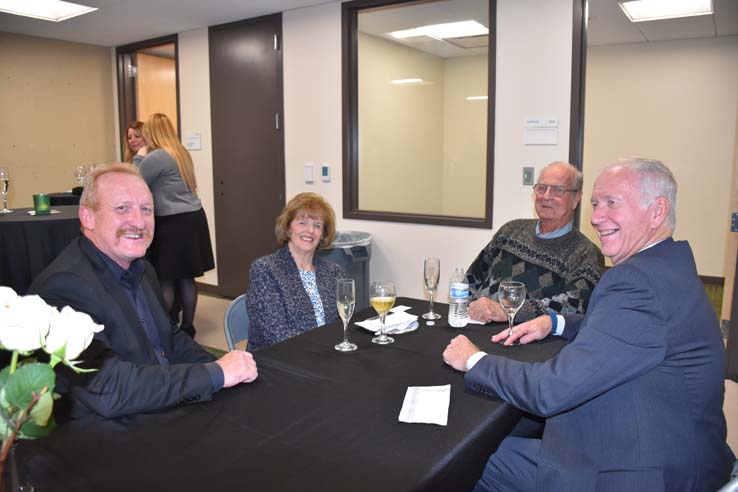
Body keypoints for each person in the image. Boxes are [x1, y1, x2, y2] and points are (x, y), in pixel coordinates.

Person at [443, 158, 735, 491]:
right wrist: (554, 323)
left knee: (464, 456)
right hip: (675, 444)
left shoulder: (635, 282)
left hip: (642, 470)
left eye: (612, 204)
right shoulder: (668, 265)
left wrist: (473, 360)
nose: (597, 218)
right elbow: (629, 332)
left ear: (656, 212)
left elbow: (550, 390)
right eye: (597, 204)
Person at [28, 163, 257, 419]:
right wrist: (214, 374)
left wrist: (216, 365)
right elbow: (109, 389)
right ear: (87, 217)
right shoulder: (64, 287)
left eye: (146, 209)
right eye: (122, 208)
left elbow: (167, 337)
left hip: (154, 403)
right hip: (106, 434)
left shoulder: (142, 269)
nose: (139, 222)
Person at [466, 162, 604, 325]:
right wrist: (461, 311)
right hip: (474, 324)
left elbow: (574, 306)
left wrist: (509, 310)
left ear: (576, 199)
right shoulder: (510, 230)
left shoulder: (586, 254)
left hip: (523, 340)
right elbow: (472, 278)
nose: (546, 196)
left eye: (557, 190)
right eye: (541, 188)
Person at [134, 113, 214, 338]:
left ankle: (164, 329)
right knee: (186, 277)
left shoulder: (157, 156)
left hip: (172, 223)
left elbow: (135, 181)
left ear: (151, 133)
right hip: (193, 218)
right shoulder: (180, 153)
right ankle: (187, 326)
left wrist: (139, 156)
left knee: (166, 279)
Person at [246, 192, 345, 351]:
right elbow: (275, 334)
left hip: (325, 355)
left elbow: (343, 324)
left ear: (323, 234)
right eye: (302, 222)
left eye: (317, 225)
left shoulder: (334, 272)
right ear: (287, 228)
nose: (310, 230)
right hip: (279, 360)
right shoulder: (265, 270)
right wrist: (322, 350)